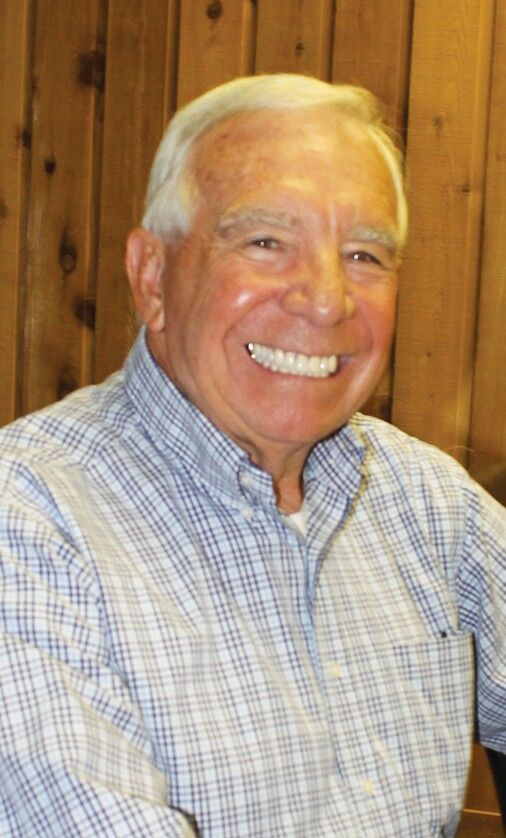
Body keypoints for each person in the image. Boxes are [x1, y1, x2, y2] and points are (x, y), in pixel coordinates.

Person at [0, 73, 504, 837]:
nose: (327, 298)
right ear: (152, 277)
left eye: (365, 255)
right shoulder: (28, 522)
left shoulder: (428, 501)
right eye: (266, 243)